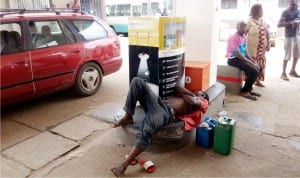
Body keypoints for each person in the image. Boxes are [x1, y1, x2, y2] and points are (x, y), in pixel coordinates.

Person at [110, 77, 209, 177]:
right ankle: (128, 116)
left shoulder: (201, 102)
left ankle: (124, 164)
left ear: (203, 96)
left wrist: (191, 95)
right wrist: (189, 93)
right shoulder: (189, 95)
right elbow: (177, 87)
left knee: (146, 129)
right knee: (137, 81)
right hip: (159, 102)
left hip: (165, 113)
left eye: (200, 93)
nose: (197, 92)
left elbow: (193, 103)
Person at [226, 21, 261, 101]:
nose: (243, 28)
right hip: (233, 59)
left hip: (241, 57)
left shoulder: (244, 36)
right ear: (237, 27)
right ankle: (244, 91)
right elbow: (237, 54)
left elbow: (245, 51)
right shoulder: (233, 38)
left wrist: (253, 61)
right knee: (254, 71)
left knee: (259, 67)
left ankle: (249, 89)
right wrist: (251, 63)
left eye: (244, 27)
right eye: (241, 26)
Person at [247, 4, 270, 87]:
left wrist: (269, 43)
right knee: (253, 64)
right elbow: (243, 34)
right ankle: (249, 83)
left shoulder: (263, 21)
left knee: (261, 64)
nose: (262, 12)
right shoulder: (249, 21)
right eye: (261, 10)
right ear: (256, 11)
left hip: (261, 48)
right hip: (252, 49)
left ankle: (257, 80)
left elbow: (267, 32)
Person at [278, 0, 300, 81]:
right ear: (289, 2)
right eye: (292, 2)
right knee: (287, 55)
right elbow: (279, 24)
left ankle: (292, 70)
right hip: (289, 36)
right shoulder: (285, 12)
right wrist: (290, 23)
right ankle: (283, 73)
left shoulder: (298, 10)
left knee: (297, 54)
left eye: (296, 2)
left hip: (297, 35)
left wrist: (298, 21)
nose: (294, 3)